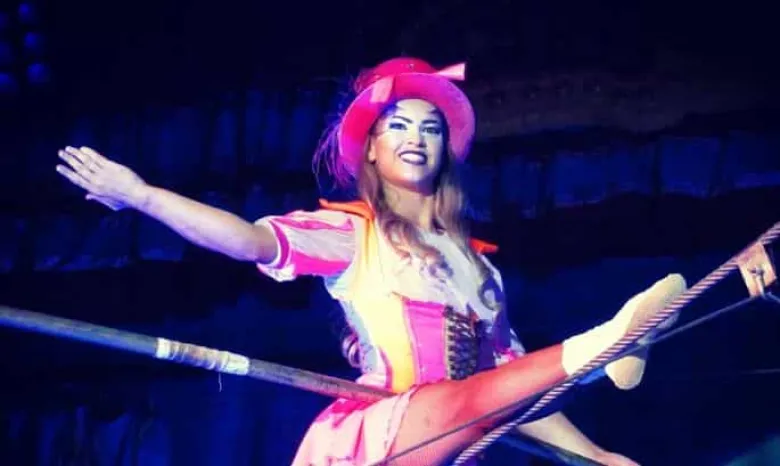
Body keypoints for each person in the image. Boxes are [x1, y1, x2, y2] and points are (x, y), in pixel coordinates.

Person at [56, 57, 687, 466]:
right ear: (372, 151)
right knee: (455, 399)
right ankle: (608, 342)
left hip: (454, 441)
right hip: (378, 440)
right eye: (398, 126)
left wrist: (596, 457)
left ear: (446, 150)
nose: (416, 137)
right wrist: (141, 196)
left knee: (486, 390)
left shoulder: (481, 272)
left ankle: (608, 346)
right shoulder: (351, 234)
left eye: (431, 128)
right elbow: (247, 241)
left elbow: (512, 387)